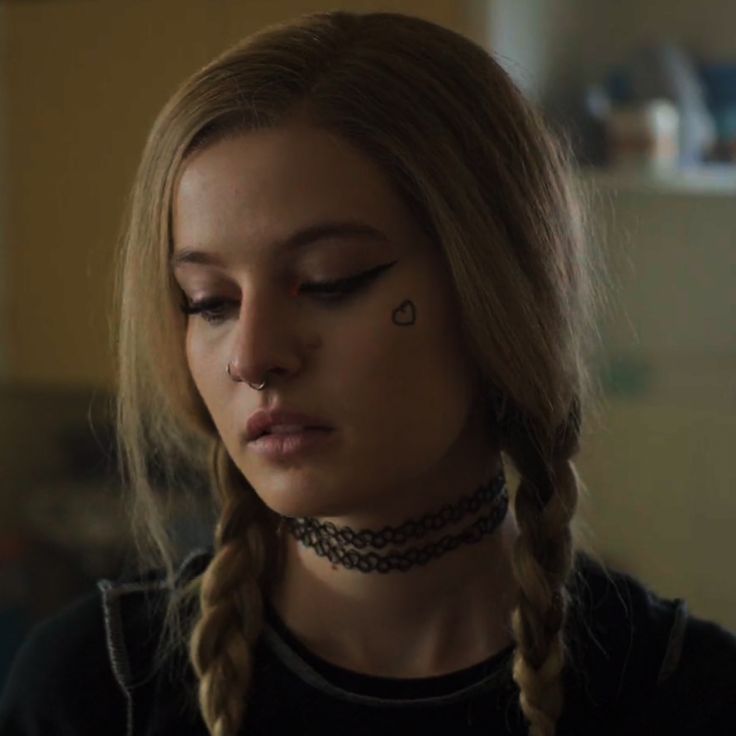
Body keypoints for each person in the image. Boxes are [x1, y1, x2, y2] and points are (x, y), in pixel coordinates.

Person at [1, 10, 734, 736]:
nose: (252, 358)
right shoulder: (95, 691)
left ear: (504, 290)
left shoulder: (686, 697)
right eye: (210, 301)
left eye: (330, 281)